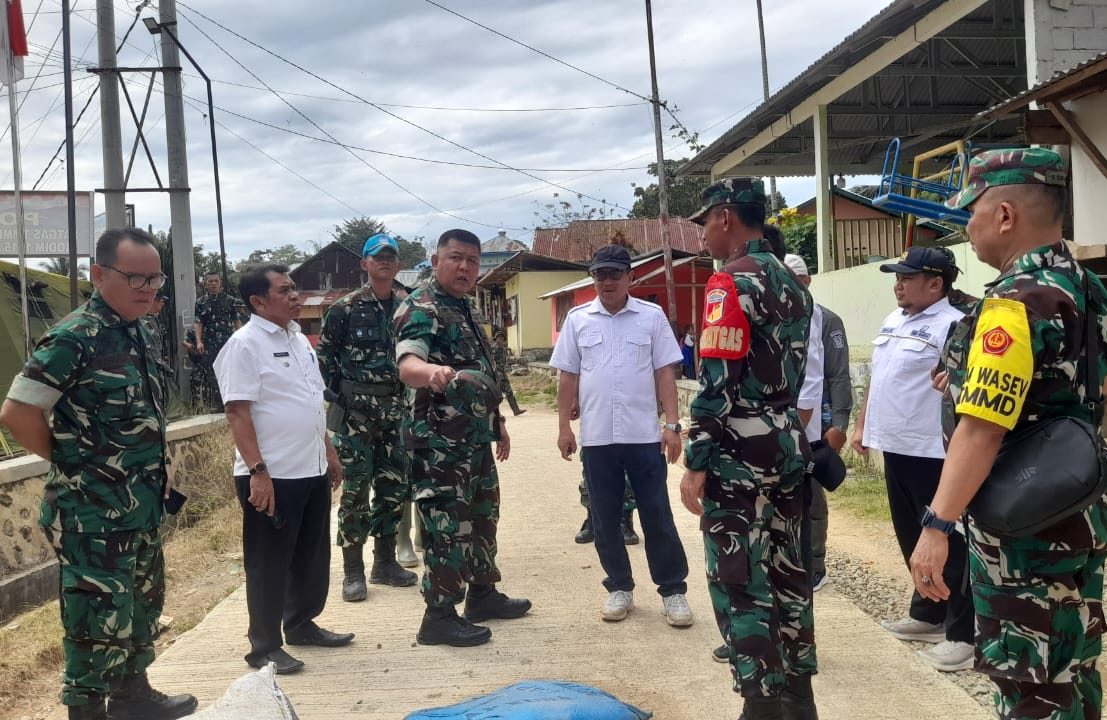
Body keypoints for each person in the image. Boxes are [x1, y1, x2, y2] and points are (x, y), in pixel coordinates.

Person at [911, 148, 1107, 720]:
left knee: (1029, 686)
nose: (966, 226)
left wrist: (937, 525)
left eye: (971, 211)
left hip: (1022, 531)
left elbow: (982, 428)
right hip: (1079, 511)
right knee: (1073, 672)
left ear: (1004, 215)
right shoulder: (1090, 289)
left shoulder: (1014, 301)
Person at [0, 228, 196, 720]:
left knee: (141, 605)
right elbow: (18, 412)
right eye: (136, 278)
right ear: (98, 275)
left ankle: (134, 696)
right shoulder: (73, 337)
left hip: (142, 504)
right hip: (91, 513)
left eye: (155, 278)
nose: (148, 288)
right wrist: (73, 462)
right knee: (94, 621)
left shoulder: (140, 330)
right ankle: (87, 712)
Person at [679, 178, 817, 720]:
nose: (703, 233)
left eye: (705, 221)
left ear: (726, 217)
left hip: (739, 451)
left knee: (739, 577)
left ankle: (761, 704)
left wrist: (697, 460)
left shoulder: (728, 284)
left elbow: (717, 383)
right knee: (789, 571)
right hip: (787, 442)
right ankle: (799, 698)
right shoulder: (793, 283)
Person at [214, 263, 354, 675]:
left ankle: (301, 624)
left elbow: (311, 402)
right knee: (269, 562)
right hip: (272, 475)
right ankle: (264, 646)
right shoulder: (244, 345)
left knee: (310, 555)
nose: (294, 295)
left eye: (294, 288)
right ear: (258, 301)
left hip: (310, 467)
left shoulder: (298, 339)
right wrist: (258, 471)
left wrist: (328, 451)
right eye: (284, 290)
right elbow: (237, 413)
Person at [394, 229, 531, 648]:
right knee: (447, 526)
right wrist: (431, 372)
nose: (465, 267)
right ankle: (438, 617)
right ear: (436, 261)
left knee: (484, 516)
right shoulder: (421, 306)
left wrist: (497, 421)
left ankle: (482, 595)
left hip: (472, 437)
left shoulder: (465, 307)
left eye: (472, 260)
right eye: (455, 258)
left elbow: (481, 373)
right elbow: (408, 363)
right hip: (437, 443)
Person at [551, 244, 692, 626]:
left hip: (643, 436)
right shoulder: (578, 320)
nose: (607, 282)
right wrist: (564, 426)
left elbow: (665, 372)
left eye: (615, 274)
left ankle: (673, 591)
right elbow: (568, 376)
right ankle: (619, 587)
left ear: (630, 277)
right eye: (600, 275)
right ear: (592, 278)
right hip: (597, 438)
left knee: (657, 514)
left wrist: (672, 426)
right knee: (604, 518)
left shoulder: (651, 317)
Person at [850, 245, 975, 673]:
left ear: (936, 283)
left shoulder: (955, 324)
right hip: (896, 446)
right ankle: (928, 613)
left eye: (907, 277)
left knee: (948, 543)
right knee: (910, 536)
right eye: (897, 277)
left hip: (933, 451)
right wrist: (863, 424)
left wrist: (954, 381)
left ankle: (963, 634)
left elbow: (965, 381)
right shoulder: (894, 320)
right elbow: (879, 376)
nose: (898, 285)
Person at [317, 233, 417, 602]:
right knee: (355, 492)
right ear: (365, 264)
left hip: (395, 412)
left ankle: (385, 563)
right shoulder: (344, 308)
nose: (385, 261)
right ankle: (353, 572)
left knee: (393, 489)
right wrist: (338, 397)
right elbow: (324, 359)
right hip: (355, 414)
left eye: (391, 256)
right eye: (378, 257)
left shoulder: (410, 307)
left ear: (398, 264)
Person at [787, 253, 851, 592]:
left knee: (812, 496)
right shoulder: (776, 316)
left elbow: (838, 375)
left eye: (795, 279)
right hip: (783, 423)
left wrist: (839, 423)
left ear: (807, 281)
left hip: (817, 425)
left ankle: (815, 563)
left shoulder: (827, 320)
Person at [193, 272, 240, 410]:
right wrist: (199, 341)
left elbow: (236, 320)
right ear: (205, 284)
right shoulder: (200, 302)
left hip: (227, 343)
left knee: (230, 372)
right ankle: (216, 405)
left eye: (216, 281)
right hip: (210, 344)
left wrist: (241, 338)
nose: (213, 284)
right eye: (210, 281)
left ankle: (232, 403)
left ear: (220, 283)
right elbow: (198, 322)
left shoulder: (229, 300)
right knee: (211, 374)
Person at [491, 329, 526, 416]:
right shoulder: (492, 349)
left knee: (509, 392)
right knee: (495, 395)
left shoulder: (503, 349)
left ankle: (516, 410)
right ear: (496, 339)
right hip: (495, 375)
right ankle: (495, 414)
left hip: (502, 374)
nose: (501, 339)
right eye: (499, 338)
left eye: (502, 338)